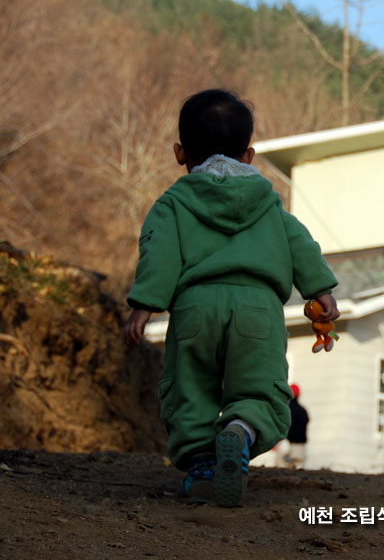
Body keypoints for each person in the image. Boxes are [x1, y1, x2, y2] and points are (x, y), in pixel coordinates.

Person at [121, 89, 339, 507]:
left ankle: (203, 469)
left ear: (180, 153)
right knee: (258, 389)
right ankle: (242, 428)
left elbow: (158, 253)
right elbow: (300, 244)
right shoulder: (270, 205)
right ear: (249, 156)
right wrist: (320, 290)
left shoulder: (173, 204)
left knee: (191, 389)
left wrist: (144, 306)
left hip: (195, 308)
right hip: (259, 309)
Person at [285, 383, 309, 469]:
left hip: (286, 444)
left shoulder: (285, 410)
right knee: (299, 469)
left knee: (282, 470)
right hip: (300, 447)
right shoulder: (303, 411)